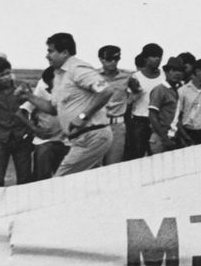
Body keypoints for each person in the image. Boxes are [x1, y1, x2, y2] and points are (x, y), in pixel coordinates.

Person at [46, 33, 115, 176]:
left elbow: (106, 90)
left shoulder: (77, 69)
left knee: (61, 180)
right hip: (82, 138)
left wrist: (82, 116)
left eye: (50, 51)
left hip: (91, 136)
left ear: (65, 52)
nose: (47, 55)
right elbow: (52, 109)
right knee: (91, 184)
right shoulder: (59, 75)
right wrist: (27, 96)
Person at [0, 58, 33, 186]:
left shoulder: (23, 87)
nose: (6, 77)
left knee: (24, 176)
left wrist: (32, 131)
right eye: (1, 75)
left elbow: (31, 108)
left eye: (8, 73)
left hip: (21, 136)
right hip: (0, 138)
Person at [24, 67, 68, 179]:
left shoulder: (71, 88)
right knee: (42, 178)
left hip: (66, 141)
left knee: (65, 178)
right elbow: (22, 111)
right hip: (45, 142)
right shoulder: (41, 89)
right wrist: (35, 129)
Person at [126, 43, 166, 159]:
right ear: (145, 58)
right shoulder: (135, 77)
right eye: (153, 56)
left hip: (160, 121)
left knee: (159, 157)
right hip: (140, 122)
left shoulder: (164, 76)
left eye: (159, 56)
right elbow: (129, 101)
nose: (157, 59)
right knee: (137, 156)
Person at [97, 45, 133, 165]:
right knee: (94, 165)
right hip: (97, 126)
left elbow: (137, 91)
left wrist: (127, 103)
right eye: (109, 59)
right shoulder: (93, 76)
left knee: (114, 165)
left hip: (117, 126)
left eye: (116, 59)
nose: (113, 62)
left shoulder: (127, 76)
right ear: (101, 59)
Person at [145, 58, 186, 153]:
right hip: (160, 137)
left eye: (180, 71)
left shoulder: (178, 90)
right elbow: (152, 115)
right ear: (167, 72)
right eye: (174, 70)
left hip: (173, 136)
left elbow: (175, 117)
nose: (177, 74)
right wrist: (164, 138)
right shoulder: (160, 89)